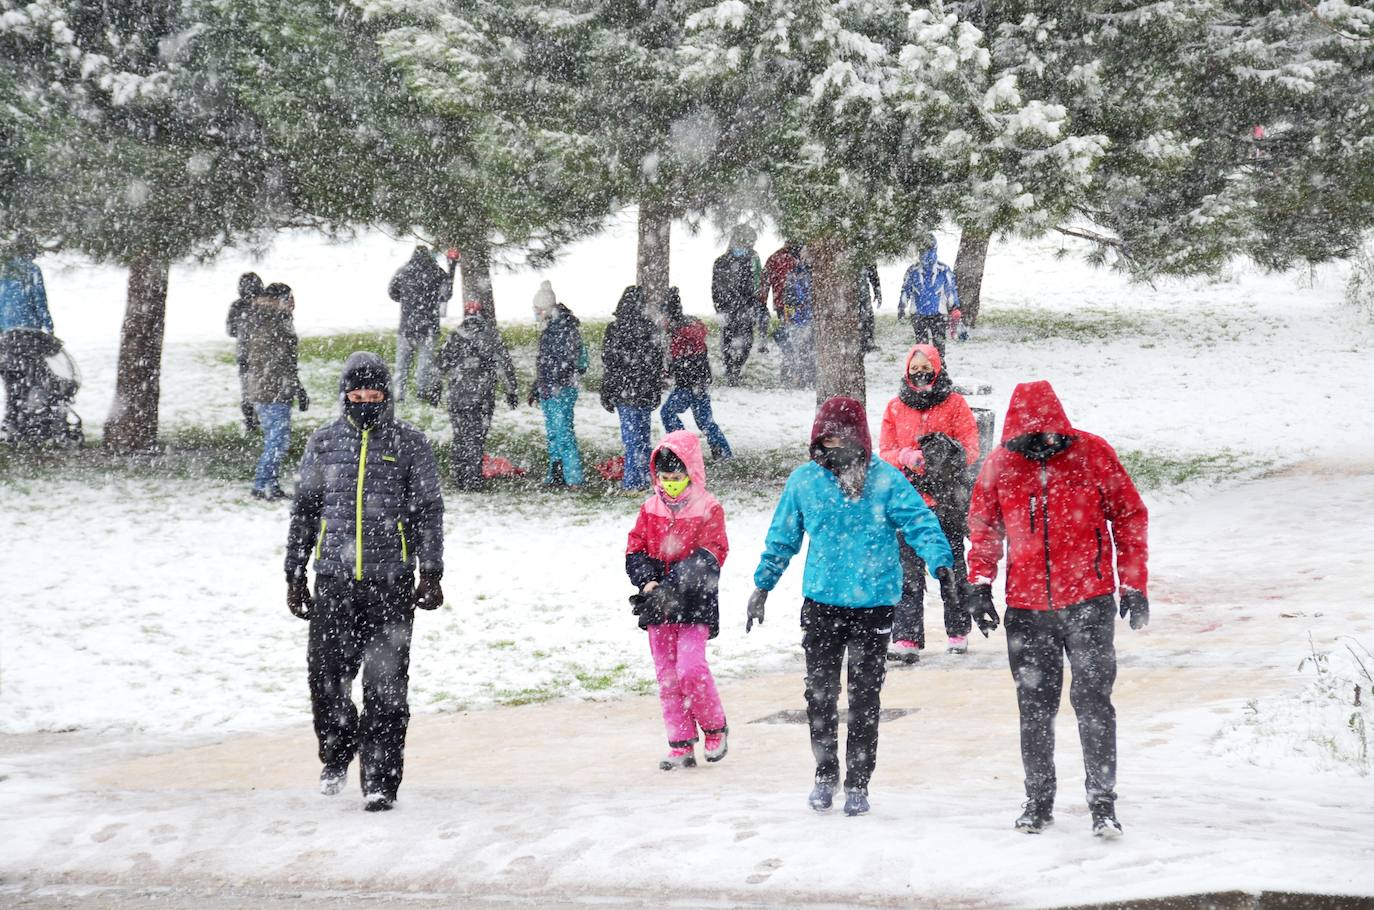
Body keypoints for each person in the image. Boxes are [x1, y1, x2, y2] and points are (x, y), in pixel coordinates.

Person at [746, 397, 957, 816]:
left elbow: (920, 521)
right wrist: (762, 587)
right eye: (825, 437)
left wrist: (941, 564)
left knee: (864, 697)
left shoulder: (886, 481)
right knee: (820, 695)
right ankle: (825, 774)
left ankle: (858, 781)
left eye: (841, 436)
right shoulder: (804, 481)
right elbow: (782, 538)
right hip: (822, 603)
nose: (832, 445)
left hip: (874, 605)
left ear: (858, 438)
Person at [965, 380, 1149, 838]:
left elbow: (1128, 514)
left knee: (1093, 702)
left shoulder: (1092, 454)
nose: (1041, 446)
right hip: (1028, 609)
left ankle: (1102, 803)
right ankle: (1038, 799)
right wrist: (980, 583)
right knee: (1034, 707)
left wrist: (1133, 584)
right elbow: (984, 527)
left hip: (1088, 603)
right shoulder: (1000, 464)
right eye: (1030, 438)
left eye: (1048, 435)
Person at [284, 352, 445, 812]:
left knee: (386, 687)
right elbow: (304, 513)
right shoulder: (324, 443)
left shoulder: (409, 443)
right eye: (356, 396)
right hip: (334, 582)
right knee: (326, 680)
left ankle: (380, 779)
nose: (364, 403)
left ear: (386, 397)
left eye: (373, 396)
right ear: (344, 397)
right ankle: (336, 752)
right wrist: (295, 574)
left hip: (390, 584)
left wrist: (430, 571)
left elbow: (429, 511)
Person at [625, 431, 730, 770]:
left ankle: (714, 727)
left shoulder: (708, 507)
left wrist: (676, 584)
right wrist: (649, 582)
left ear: (691, 473)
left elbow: (713, 552)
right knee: (668, 677)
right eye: (664, 478)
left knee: (691, 668)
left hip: (693, 602)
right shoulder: (649, 507)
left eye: (676, 477)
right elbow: (635, 549)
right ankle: (680, 741)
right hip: (658, 606)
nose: (670, 484)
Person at [878, 343, 980, 662]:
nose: (920, 374)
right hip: (907, 501)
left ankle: (957, 629)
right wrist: (906, 456)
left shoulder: (955, 404)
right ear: (906, 372)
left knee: (950, 565)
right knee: (907, 570)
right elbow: (885, 451)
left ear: (937, 368)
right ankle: (906, 636)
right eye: (914, 369)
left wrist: (944, 456)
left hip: (946, 497)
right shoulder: (895, 407)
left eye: (926, 368)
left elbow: (971, 448)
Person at [437, 298, 518, 492]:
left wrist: (434, 389)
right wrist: (511, 391)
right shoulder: (490, 337)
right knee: (476, 438)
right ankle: (472, 479)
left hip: (457, 395)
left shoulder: (454, 337)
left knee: (460, 437)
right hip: (482, 397)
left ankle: (459, 476)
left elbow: (440, 366)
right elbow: (503, 366)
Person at [241, 282, 308, 500]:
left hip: (274, 388)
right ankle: (261, 486)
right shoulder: (272, 322)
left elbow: (286, 361)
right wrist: (293, 387)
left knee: (277, 439)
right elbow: (278, 361)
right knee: (277, 441)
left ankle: (272, 484)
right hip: (271, 391)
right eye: (290, 298)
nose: (293, 303)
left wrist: (297, 389)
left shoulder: (270, 319)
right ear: (279, 300)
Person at [600, 286, 665, 490]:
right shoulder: (649, 329)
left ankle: (632, 481)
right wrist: (654, 391)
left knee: (631, 439)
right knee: (643, 438)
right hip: (643, 392)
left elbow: (610, 364)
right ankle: (644, 477)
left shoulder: (614, 329)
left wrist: (608, 392)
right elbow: (655, 364)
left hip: (624, 392)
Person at [660, 288, 732, 461]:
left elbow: (682, 359)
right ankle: (723, 451)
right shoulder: (689, 327)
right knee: (705, 421)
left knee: (667, 413)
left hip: (688, 384)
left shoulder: (679, 332)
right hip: (698, 383)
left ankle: (682, 445)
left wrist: (671, 372)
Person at [528, 282, 588, 488]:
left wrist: (554, 382)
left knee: (563, 433)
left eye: (536, 309)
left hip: (560, 389)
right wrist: (538, 387)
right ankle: (557, 473)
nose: (535, 313)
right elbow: (545, 363)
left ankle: (574, 477)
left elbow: (567, 362)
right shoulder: (550, 329)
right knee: (554, 433)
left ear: (545, 309)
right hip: (549, 388)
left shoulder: (562, 330)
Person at [0, 237, 54, 436]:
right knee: (32, 377)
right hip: (28, 333)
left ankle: (12, 419)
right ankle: (32, 420)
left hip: (7, 334)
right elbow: (39, 300)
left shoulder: (4, 270)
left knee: (12, 378)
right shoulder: (31, 270)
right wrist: (48, 326)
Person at [388, 245, 455, 403]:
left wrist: (405, 299)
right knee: (424, 364)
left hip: (407, 326)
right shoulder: (437, 272)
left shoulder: (403, 271)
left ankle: (399, 392)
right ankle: (422, 391)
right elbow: (447, 294)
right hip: (429, 326)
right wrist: (452, 267)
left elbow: (392, 292)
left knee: (402, 364)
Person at [711, 224, 762, 385]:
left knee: (746, 342)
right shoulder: (722, 262)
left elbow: (758, 283)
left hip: (746, 308)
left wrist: (755, 304)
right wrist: (720, 308)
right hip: (729, 308)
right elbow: (716, 288)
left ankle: (736, 368)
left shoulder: (753, 260)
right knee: (728, 340)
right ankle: (730, 370)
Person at [898, 238, 958, 358]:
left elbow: (950, 290)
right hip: (918, 314)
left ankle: (939, 368)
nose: (926, 254)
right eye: (923, 250)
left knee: (939, 345)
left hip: (938, 313)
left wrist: (954, 307)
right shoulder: (913, 271)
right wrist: (902, 306)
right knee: (921, 346)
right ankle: (923, 369)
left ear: (935, 250)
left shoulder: (943, 270)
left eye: (929, 250)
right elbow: (906, 290)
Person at [226, 272, 264, 432]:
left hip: (245, 353)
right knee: (262, 386)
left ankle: (251, 420)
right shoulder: (263, 305)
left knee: (248, 389)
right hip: (260, 353)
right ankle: (258, 418)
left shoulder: (237, 306)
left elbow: (231, 330)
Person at [778, 254, 816, 386]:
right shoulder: (794, 277)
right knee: (797, 350)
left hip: (808, 319)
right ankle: (796, 377)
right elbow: (789, 299)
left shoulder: (811, 275)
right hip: (798, 320)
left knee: (806, 350)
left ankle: (805, 377)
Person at [856, 263, 882, 354]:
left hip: (863, 295)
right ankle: (862, 343)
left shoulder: (865, 258)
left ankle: (868, 343)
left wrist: (877, 291)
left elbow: (873, 275)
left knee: (868, 320)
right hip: (852, 296)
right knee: (859, 321)